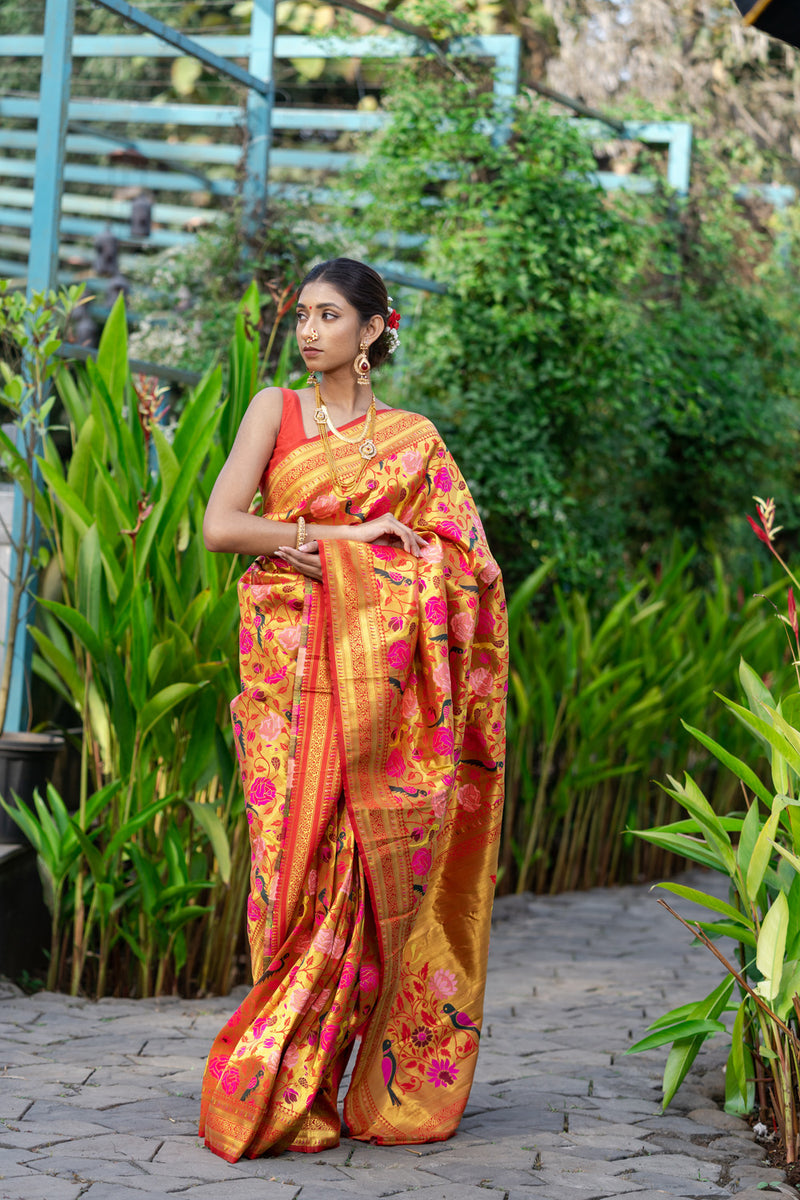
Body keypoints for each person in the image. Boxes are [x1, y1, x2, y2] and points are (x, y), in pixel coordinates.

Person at [198, 257, 508, 1160]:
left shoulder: (413, 439)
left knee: (369, 873)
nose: (309, 332)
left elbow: (472, 570)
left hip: (382, 705)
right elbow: (224, 526)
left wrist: (397, 565)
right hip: (288, 682)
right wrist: (346, 537)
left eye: (329, 317)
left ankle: (354, 1079)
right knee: (288, 874)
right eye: (303, 316)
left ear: (375, 330)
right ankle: (288, 1083)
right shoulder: (276, 411)